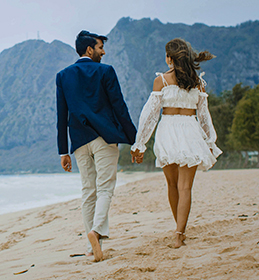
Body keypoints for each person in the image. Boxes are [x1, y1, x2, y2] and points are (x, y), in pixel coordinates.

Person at [130, 38, 222, 248]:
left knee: (172, 185)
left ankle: (179, 230)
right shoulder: (197, 82)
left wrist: (139, 144)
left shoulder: (161, 80)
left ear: (169, 58)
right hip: (190, 130)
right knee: (185, 187)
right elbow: (204, 115)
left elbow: (149, 116)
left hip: (168, 130)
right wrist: (209, 141)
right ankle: (180, 232)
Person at [56, 30, 137, 262]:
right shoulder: (106, 71)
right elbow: (119, 107)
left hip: (79, 141)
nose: (104, 51)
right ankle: (96, 231)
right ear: (89, 49)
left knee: (88, 192)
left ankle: (92, 248)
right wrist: (134, 140)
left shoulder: (63, 76)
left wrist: (63, 150)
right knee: (105, 188)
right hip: (105, 138)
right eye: (100, 47)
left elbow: (62, 115)